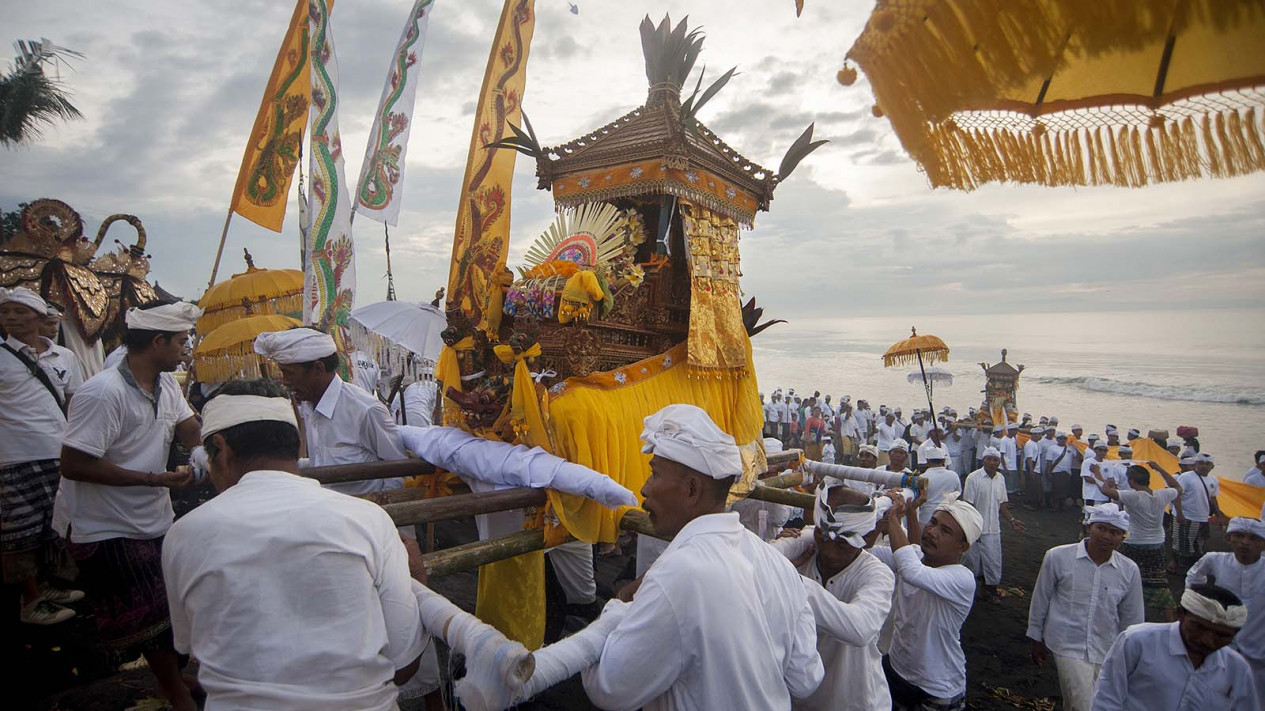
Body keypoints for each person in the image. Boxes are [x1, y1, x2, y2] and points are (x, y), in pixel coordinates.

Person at [161, 379, 427, 709]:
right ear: (297, 444)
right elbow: (404, 666)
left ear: (221, 449)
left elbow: (193, 647)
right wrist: (418, 578)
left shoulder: (184, 534)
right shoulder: (369, 520)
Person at [582, 404, 824, 709]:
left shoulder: (678, 574)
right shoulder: (777, 564)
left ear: (692, 490)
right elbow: (805, 679)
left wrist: (617, 606)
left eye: (654, 474)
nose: (644, 488)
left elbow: (608, 688)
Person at [57, 301, 203, 711]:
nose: (186, 348)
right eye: (180, 341)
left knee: (170, 606)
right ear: (157, 342)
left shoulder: (167, 384)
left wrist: (210, 449)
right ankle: (172, 689)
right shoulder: (103, 392)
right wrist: (152, 479)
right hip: (107, 524)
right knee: (148, 617)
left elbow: (189, 430)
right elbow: (74, 464)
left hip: (154, 516)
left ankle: (171, 678)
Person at [770, 484, 895, 711]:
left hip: (855, 702)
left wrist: (787, 577)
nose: (827, 550)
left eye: (841, 543)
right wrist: (780, 557)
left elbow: (859, 629)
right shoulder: (805, 550)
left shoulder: (877, 574)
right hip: (799, 699)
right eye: (823, 537)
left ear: (867, 537)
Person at [1, 288, 83, 625]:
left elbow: (74, 403)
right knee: (21, 530)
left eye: (20, 311)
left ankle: (49, 586)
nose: (11, 317)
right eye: (5, 311)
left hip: (58, 451)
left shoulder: (65, 357)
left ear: (39, 316)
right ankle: (30, 600)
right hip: (13, 457)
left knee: (55, 524)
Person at [254, 328, 407, 497]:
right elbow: (320, 462)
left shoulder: (366, 410)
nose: (285, 381)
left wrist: (380, 508)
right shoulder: (309, 406)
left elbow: (399, 472)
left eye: (288, 373)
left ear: (318, 369)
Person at [870, 490, 981, 711]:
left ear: (962, 547)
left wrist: (893, 517)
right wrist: (879, 519)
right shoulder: (915, 556)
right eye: (933, 522)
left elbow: (911, 571)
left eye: (945, 531)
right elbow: (866, 552)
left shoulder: (962, 578)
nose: (932, 531)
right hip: (897, 669)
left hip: (937, 688)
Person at [1026, 503, 1143, 711]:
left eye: (1115, 532)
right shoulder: (1057, 557)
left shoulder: (1129, 570)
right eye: (1102, 528)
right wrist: (1036, 636)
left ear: (1122, 538)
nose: (1107, 536)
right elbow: (1041, 598)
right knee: (1083, 703)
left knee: (1090, 703)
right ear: (1089, 527)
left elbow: (1132, 618)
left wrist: (1132, 657)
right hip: (1066, 643)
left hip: (1106, 647)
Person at [1090, 583, 1258, 711]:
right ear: (1180, 614)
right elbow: (1106, 697)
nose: (1207, 640)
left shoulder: (1237, 668)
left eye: (1221, 636)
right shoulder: (1138, 641)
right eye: (1199, 627)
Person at [1184, 517, 1264, 691]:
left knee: (1254, 693)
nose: (1245, 542)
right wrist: (1198, 605)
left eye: (1253, 538)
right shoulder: (1215, 560)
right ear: (1229, 538)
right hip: (1218, 639)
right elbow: (1194, 577)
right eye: (1239, 536)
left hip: (1258, 645)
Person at [1101, 462, 1182, 621]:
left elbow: (1105, 491)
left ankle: (1116, 606)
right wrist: (1159, 468)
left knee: (1119, 573)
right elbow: (1178, 487)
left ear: (1131, 481)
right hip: (1157, 543)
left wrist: (1106, 481)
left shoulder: (1134, 496)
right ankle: (1170, 620)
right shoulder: (1161, 494)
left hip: (1134, 542)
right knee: (1158, 581)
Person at [962, 448, 1026, 601]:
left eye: (995, 460)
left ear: (999, 462)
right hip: (976, 528)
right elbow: (968, 505)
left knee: (993, 560)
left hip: (993, 529)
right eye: (989, 459)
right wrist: (972, 529)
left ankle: (988, 591)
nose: (992, 463)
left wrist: (1012, 520)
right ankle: (966, 593)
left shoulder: (1000, 479)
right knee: (972, 562)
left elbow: (1001, 503)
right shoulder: (973, 478)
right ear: (983, 460)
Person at [1171, 452, 1226, 569]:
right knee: (1182, 544)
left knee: (1199, 545)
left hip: (1202, 518)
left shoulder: (1213, 480)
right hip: (1186, 517)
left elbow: (1213, 498)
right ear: (1195, 464)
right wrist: (1179, 514)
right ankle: (1178, 569)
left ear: (1212, 466)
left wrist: (1218, 515)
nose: (1204, 466)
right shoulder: (1186, 477)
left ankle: (1193, 570)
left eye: (1207, 464)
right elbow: (1177, 496)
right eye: (1201, 463)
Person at [916, 446, 962, 528]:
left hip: (927, 517)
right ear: (943, 461)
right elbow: (958, 495)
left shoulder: (922, 477)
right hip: (947, 516)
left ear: (927, 461)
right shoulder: (953, 475)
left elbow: (918, 499)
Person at [1044, 432, 1079, 511]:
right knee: (1056, 490)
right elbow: (1049, 461)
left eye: (1064, 438)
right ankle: (1055, 506)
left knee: (1065, 490)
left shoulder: (1070, 448)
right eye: (1060, 438)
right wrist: (1048, 472)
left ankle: (1063, 505)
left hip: (1067, 472)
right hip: (1056, 471)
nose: (1062, 440)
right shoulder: (1052, 448)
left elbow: (1077, 457)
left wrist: (1077, 445)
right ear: (1057, 439)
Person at [1080, 441, 1112, 508]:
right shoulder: (1087, 462)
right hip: (1091, 495)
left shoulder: (1108, 463)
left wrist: (1100, 482)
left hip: (1104, 495)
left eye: (1105, 450)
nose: (1103, 452)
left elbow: (1110, 479)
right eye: (1100, 450)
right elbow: (1087, 479)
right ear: (1095, 450)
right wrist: (1103, 482)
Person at [1023, 427, 1045, 508]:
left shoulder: (1036, 444)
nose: (1039, 436)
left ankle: (1035, 502)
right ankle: (1029, 503)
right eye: (1038, 434)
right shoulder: (1030, 444)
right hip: (1032, 468)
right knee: (1031, 487)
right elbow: (1029, 458)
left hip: (1036, 468)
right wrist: (1031, 470)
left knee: (1036, 487)